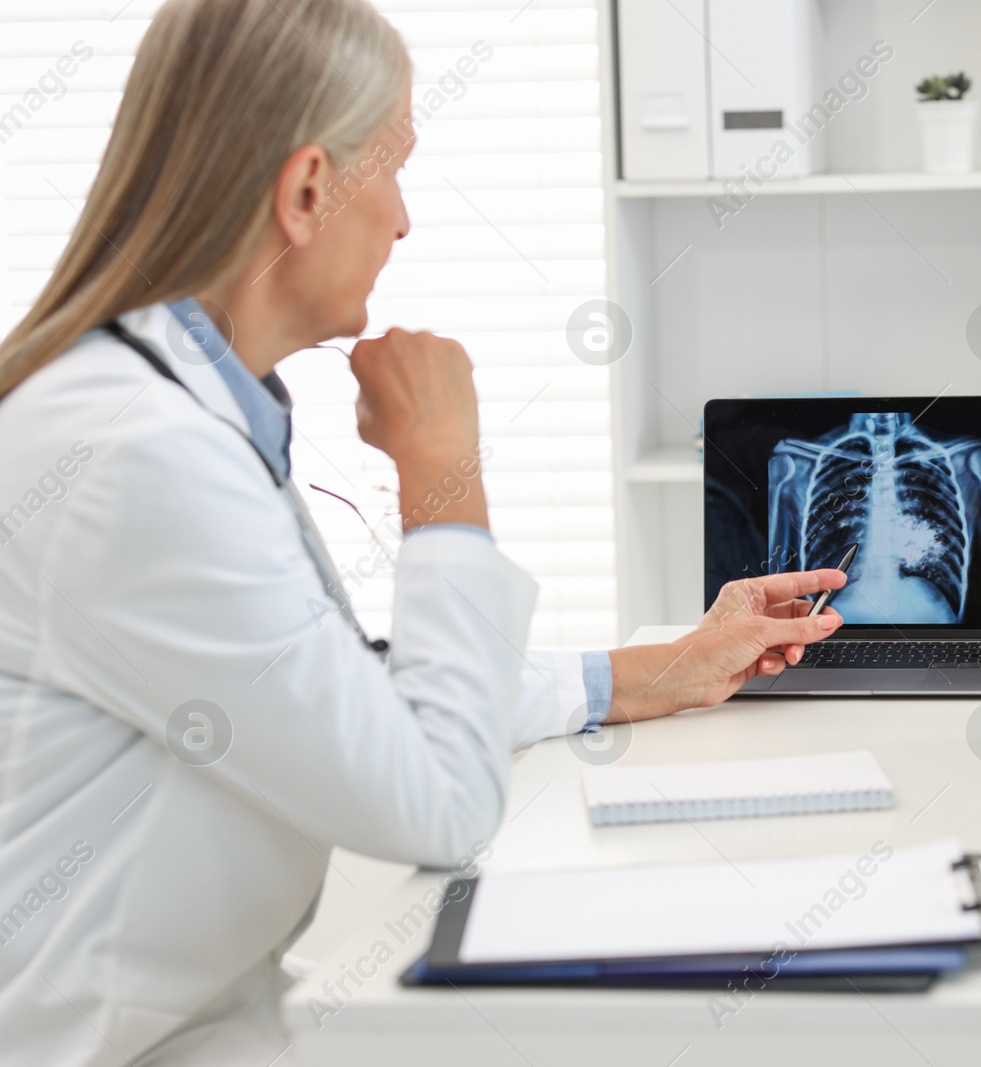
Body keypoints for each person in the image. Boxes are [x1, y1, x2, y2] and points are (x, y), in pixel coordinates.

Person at [0, 1, 844, 1063]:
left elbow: (340, 691)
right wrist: (442, 471)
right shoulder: (132, 452)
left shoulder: (171, 408)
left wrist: (654, 671)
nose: (403, 221)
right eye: (392, 167)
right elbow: (434, 801)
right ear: (309, 190)